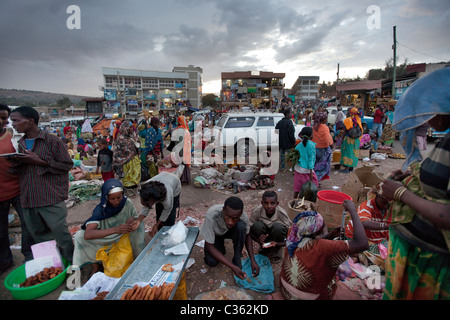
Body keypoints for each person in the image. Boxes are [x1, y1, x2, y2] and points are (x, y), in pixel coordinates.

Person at [380, 68, 450, 300]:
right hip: (417, 255)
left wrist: (401, 193)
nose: (429, 118)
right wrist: (412, 177)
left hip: (433, 266)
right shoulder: (446, 142)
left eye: (432, 109)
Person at [9, 106, 74, 263]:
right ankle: (54, 264)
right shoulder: (22, 143)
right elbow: (27, 169)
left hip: (50, 196)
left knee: (60, 233)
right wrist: (15, 163)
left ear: (30, 121)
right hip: (29, 197)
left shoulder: (52, 141)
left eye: (16, 120)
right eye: (12, 121)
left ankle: (72, 263)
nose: (13, 125)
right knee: (39, 235)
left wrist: (39, 161)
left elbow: (66, 165)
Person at [280, 200, 368, 300]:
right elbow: (362, 244)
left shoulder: (293, 232)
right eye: (323, 228)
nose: (324, 228)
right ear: (314, 234)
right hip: (305, 297)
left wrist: (329, 235)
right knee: (331, 283)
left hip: (285, 289)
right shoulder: (323, 247)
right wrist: (352, 210)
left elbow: (312, 242)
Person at [72, 179, 145, 276]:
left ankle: (138, 258)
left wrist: (131, 220)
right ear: (106, 198)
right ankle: (95, 265)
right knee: (79, 236)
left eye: (119, 197)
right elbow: (88, 234)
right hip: (107, 237)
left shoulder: (126, 202)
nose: (116, 201)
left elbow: (134, 216)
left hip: (122, 235)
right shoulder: (100, 210)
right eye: (112, 199)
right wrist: (115, 229)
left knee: (139, 227)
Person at [0, 104, 35, 274]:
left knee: (27, 224)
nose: (3, 121)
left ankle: (29, 256)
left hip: (18, 188)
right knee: (1, 231)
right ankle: (5, 262)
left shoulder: (13, 136)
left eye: (4, 118)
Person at [200, 196, 260, 280]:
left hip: (230, 232)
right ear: (223, 210)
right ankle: (221, 247)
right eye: (227, 217)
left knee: (241, 227)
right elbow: (209, 245)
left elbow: (247, 236)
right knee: (211, 262)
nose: (230, 222)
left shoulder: (243, 217)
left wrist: (252, 260)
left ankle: (237, 257)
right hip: (217, 235)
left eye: (235, 218)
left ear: (240, 214)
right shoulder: (212, 215)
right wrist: (232, 267)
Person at [345, 183, 390, 267]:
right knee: (382, 262)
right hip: (360, 240)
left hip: (377, 240)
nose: (387, 206)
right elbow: (365, 223)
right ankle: (359, 256)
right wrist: (387, 226)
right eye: (385, 203)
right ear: (377, 197)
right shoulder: (366, 206)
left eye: (389, 203)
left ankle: (360, 258)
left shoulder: (388, 209)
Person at [249, 190, 291, 262]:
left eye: (272, 203)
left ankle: (276, 250)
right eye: (266, 203)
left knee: (278, 227)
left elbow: (291, 234)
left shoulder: (282, 214)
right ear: (262, 203)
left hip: (277, 236)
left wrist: (278, 243)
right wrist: (258, 239)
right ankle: (264, 247)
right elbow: (248, 230)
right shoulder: (256, 212)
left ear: (277, 203)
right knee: (257, 225)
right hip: (264, 234)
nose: (269, 206)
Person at [139, 171, 181, 236]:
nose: (142, 202)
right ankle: (160, 230)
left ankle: (169, 233)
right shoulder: (144, 189)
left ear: (154, 201)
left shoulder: (167, 197)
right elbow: (146, 206)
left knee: (170, 214)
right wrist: (138, 220)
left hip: (174, 184)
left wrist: (156, 225)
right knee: (159, 210)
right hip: (163, 177)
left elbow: (167, 210)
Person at [113, 121, 141, 188]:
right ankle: (129, 189)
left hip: (134, 160)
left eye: (132, 127)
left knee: (135, 176)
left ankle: (134, 188)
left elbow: (138, 145)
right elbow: (117, 153)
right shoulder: (120, 139)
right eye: (130, 127)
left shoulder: (133, 136)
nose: (131, 129)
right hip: (125, 162)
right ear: (125, 128)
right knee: (128, 177)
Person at [293, 127, 318, 199]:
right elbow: (311, 159)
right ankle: (309, 199)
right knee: (313, 185)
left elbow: (295, 154)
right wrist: (311, 172)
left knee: (297, 186)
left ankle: (294, 200)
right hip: (307, 170)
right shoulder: (311, 146)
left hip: (298, 169)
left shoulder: (299, 145)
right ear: (311, 136)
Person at [339, 107, 363, 173]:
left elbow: (345, 131)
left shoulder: (347, 120)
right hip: (356, 140)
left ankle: (346, 168)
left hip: (349, 140)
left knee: (347, 153)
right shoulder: (359, 120)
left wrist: (342, 139)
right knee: (353, 153)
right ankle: (351, 168)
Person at [168, 115, 191, 184]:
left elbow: (174, 140)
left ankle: (181, 179)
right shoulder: (186, 130)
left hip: (179, 149)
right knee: (184, 164)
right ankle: (185, 179)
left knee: (180, 164)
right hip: (185, 150)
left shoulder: (178, 130)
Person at [312, 111, 334, 181]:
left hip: (314, 148)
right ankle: (315, 181)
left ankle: (312, 179)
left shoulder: (314, 127)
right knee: (321, 166)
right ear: (323, 119)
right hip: (322, 149)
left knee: (314, 165)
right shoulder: (324, 127)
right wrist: (331, 145)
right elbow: (327, 139)